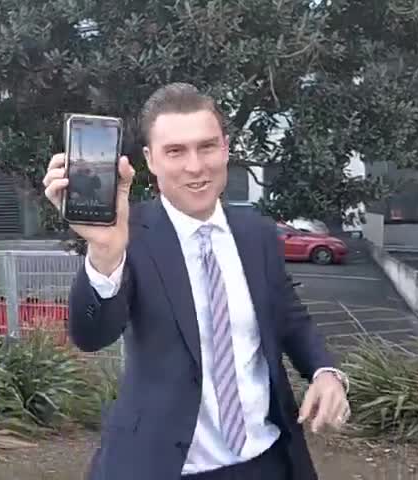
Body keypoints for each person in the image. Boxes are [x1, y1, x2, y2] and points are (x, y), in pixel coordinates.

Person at [42, 83, 350, 480]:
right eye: (176, 151)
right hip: (165, 466)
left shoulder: (256, 231)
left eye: (206, 146)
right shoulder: (127, 233)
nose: (195, 166)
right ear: (150, 160)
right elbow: (91, 335)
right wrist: (104, 252)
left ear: (225, 147)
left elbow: (291, 318)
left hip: (268, 461)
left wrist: (326, 372)